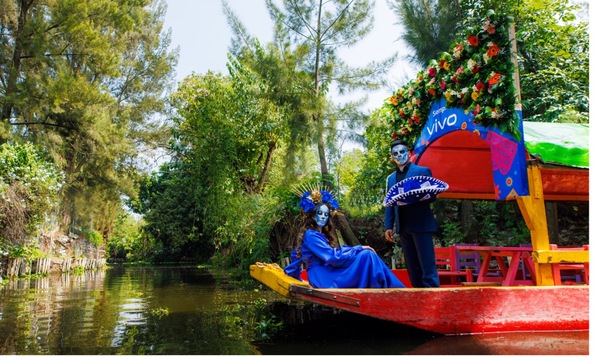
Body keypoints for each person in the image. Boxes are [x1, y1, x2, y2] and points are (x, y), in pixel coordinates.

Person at [284, 189, 405, 288]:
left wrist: (294, 274)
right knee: (366, 255)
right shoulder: (311, 235)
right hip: (324, 278)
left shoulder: (316, 235)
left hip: (327, 273)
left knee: (367, 256)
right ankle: (396, 289)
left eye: (326, 214)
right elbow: (332, 257)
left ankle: (391, 288)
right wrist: (358, 248)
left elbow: (297, 254)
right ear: (312, 215)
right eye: (319, 213)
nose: (323, 217)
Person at [384, 139, 440, 288]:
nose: (399, 155)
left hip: (421, 224)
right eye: (395, 153)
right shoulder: (390, 179)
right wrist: (388, 226)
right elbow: (389, 203)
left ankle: (433, 297)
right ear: (392, 157)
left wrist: (415, 197)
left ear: (409, 153)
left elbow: (432, 195)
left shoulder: (422, 171)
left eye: (402, 152)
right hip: (403, 226)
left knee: (427, 265)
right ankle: (418, 297)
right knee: (412, 267)